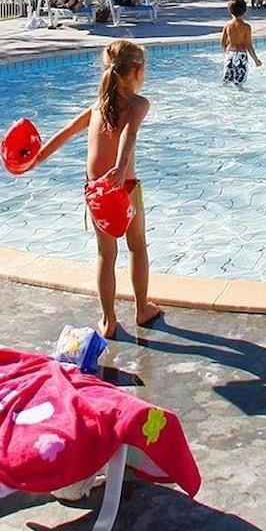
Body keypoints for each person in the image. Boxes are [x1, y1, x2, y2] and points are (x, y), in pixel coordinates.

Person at [20, 39, 164, 339]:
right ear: (137, 71)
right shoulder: (138, 104)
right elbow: (129, 133)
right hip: (123, 186)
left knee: (105, 255)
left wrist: (35, 159)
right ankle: (141, 309)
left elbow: (65, 133)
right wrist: (121, 168)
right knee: (137, 246)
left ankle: (108, 320)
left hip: (96, 190)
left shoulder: (97, 107)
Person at [220, 0, 262, 88]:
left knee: (227, 80)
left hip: (230, 54)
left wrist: (227, 53)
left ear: (230, 11)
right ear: (245, 11)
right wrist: (256, 60)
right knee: (239, 83)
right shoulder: (246, 27)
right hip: (241, 56)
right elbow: (249, 46)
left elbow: (223, 42)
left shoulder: (227, 25)